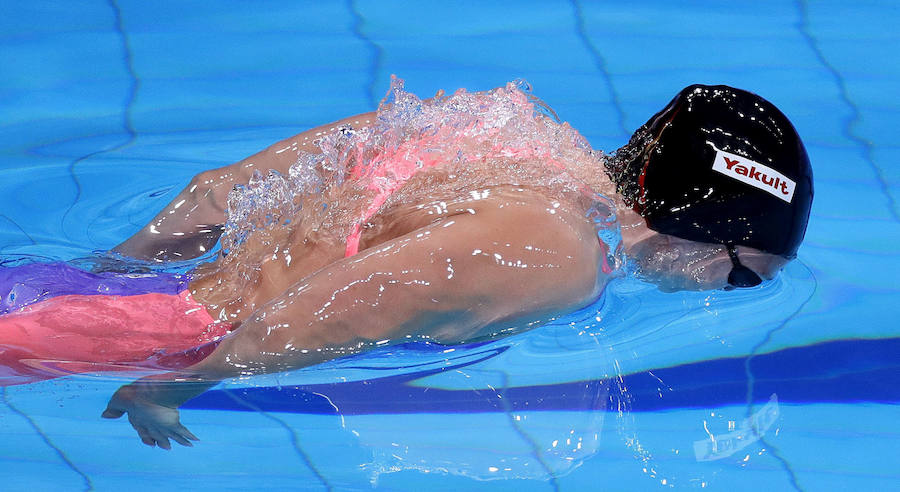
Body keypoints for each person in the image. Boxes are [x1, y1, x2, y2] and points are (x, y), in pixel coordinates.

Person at [0, 79, 812, 448]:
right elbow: (350, 305)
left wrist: (103, 280)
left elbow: (217, 195)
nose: (732, 291)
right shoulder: (561, 257)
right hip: (158, 332)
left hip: (80, 287)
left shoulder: (505, 131)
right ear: (705, 232)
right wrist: (181, 380)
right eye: (744, 274)